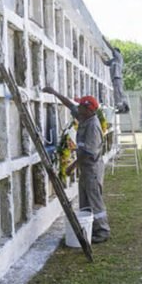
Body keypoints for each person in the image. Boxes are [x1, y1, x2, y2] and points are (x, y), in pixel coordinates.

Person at [43, 86, 110, 243]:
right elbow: (70, 105)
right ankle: (90, 228)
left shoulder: (93, 126)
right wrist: (54, 92)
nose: (77, 108)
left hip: (92, 169)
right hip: (86, 168)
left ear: (88, 109)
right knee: (85, 200)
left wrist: (71, 167)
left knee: (94, 199)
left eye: (81, 106)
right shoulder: (84, 118)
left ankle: (102, 231)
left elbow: (88, 153)